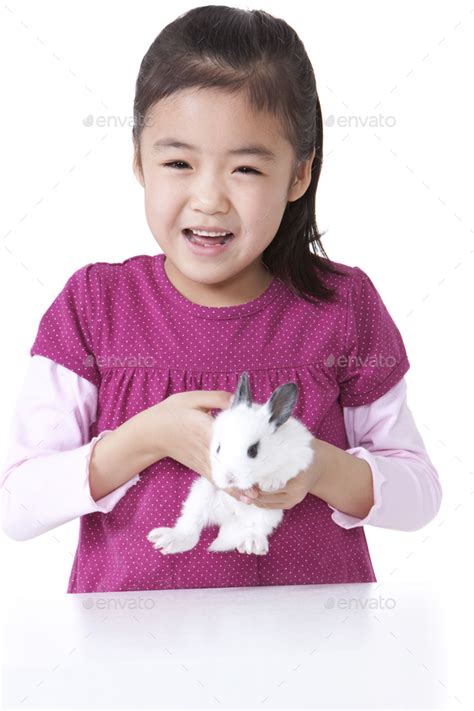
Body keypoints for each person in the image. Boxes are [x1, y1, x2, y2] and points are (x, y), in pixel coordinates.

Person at [0, 6, 441, 593]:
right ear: (138, 160)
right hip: (126, 665)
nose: (209, 198)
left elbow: (420, 498)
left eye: (246, 169)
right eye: (178, 162)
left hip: (318, 658)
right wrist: (145, 438)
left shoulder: (342, 306)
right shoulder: (95, 305)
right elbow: (17, 508)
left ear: (298, 175)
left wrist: (318, 468)